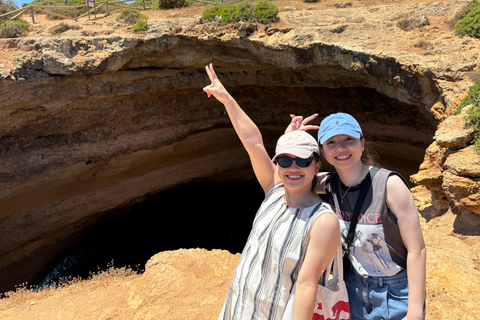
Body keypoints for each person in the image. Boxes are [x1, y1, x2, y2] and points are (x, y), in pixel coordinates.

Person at [203, 64, 345, 320]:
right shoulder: (274, 192)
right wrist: (228, 100)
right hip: (238, 309)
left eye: (302, 161)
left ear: (317, 165)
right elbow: (253, 142)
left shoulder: (323, 221)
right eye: (285, 160)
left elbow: (306, 285)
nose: (293, 168)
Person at [286, 113, 426, 320]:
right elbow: (285, 179)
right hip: (354, 286)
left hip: (397, 291)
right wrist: (290, 142)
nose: (340, 148)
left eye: (348, 139)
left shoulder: (389, 185)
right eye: (331, 142)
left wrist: (414, 312)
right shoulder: (328, 183)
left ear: (362, 144)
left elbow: (417, 250)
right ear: (322, 152)